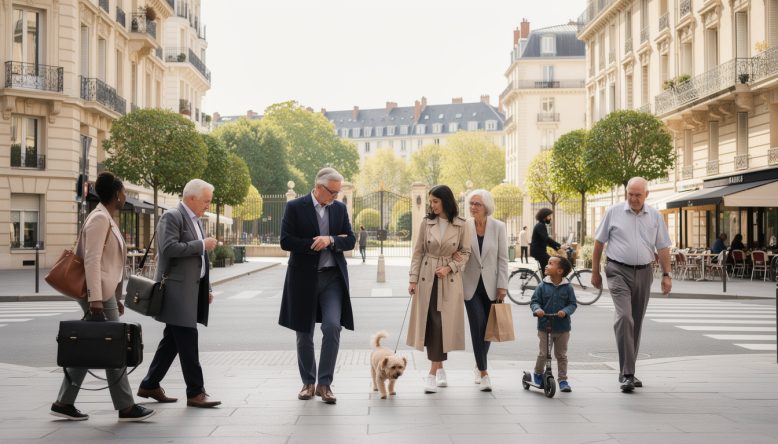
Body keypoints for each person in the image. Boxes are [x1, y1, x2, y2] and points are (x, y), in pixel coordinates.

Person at [51, 172, 155, 422]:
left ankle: (64, 401)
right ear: (117, 194)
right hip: (94, 292)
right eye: (123, 192)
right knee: (113, 345)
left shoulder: (105, 217)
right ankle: (126, 406)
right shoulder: (99, 218)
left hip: (102, 292)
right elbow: (92, 259)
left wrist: (113, 297)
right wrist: (96, 298)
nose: (125, 196)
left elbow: (108, 262)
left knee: (93, 344)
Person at [137, 179, 221, 408]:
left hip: (190, 291)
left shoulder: (195, 220)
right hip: (175, 292)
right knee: (187, 340)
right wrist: (201, 244)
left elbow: (202, 261)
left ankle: (150, 383)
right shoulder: (172, 217)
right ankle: (196, 392)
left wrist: (208, 287)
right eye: (206, 201)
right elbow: (168, 248)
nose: (208, 206)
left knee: (172, 342)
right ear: (191, 198)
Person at [279, 168, 356, 404]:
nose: (336, 196)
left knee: (333, 327)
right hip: (303, 278)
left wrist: (331, 240)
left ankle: (325, 384)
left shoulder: (340, 208)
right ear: (319, 187)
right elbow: (285, 241)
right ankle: (308, 383)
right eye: (333, 192)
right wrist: (314, 244)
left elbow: (350, 239)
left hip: (332, 278)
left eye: (338, 192)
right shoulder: (295, 207)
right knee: (304, 332)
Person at [591, 177, 672, 393]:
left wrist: (667, 274)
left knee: (635, 322)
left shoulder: (654, 216)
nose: (633, 198)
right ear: (626, 193)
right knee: (625, 317)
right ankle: (628, 373)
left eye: (638, 195)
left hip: (644, 272)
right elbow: (599, 243)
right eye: (630, 194)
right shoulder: (613, 212)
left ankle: (628, 371)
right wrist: (595, 271)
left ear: (646, 195)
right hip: (618, 270)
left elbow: (663, 247)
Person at [407, 185, 471, 394]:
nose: (431, 205)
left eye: (435, 201)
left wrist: (450, 267)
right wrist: (413, 279)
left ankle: (433, 373)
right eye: (430, 201)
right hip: (427, 278)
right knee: (432, 325)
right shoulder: (427, 222)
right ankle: (438, 369)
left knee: (441, 325)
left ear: (445, 201)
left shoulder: (461, 225)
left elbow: (466, 252)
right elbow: (418, 252)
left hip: (449, 280)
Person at [461, 189, 508, 392]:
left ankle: (479, 364)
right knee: (477, 326)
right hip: (469, 285)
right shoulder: (464, 226)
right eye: (471, 203)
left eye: (477, 204)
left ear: (486, 206)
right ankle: (484, 372)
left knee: (488, 330)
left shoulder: (498, 227)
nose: (473, 207)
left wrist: (503, 285)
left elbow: (503, 258)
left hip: (491, 286)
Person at [529, 256, 577, 393]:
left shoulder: (568, 287)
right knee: (543, 353)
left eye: (550, 263)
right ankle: (538, 373)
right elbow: (534, 301)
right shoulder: (542, 286)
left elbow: (573, 304)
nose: (546, 265)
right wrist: (537, 309)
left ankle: (563, 380)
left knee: (561, 355)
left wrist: (565, 311)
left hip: (563, 328)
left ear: (560, 271)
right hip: (545, 327)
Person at [530, 208, 562, 276]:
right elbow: (546, 239)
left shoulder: (542, 225)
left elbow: (546, 240)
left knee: (547, 268)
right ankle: (545, 284)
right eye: (549, 216)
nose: (550, 218)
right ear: (545, 216)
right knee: (550, 265)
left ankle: (546, 282)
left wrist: (557, 249)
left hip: (540, 251)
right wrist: (560, 246)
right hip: (538, 252)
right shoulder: (540, 226)